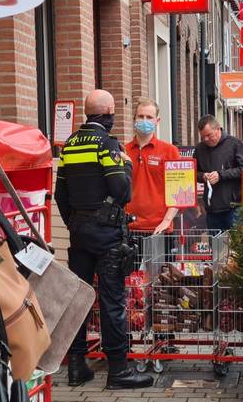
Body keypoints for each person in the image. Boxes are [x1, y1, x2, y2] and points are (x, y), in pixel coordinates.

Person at [54, 89, 153, 389]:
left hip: (79, 233)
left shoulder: (69, 145)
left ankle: (75, 366)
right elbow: (122, 191)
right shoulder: (106, 145)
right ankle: (119, 371)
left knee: (80, 300)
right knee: (112, 302)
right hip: (107, 235)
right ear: (109, 111)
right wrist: (125, 164)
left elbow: (60, 194)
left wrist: (74, 222)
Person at [125, 97, 181, 235]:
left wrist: (167, 221)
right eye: (141, 116)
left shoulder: (170, 151)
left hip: (160, 229)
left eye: (149, 117)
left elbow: (179, 191)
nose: (144, 120)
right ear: (134, 119)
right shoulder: (123, 151)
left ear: (157, 121)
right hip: (129, 228)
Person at [193, 115, 243, 231]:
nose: (205, 139)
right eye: (203, 137)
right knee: (215, 246)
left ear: (218, 129)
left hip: (234, 207)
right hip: (212, 209)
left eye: (209, 135)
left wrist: (221, 175)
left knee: (236, 246)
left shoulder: (236, 144)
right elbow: (193, 173)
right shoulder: (200, 149)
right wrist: (203, 176)